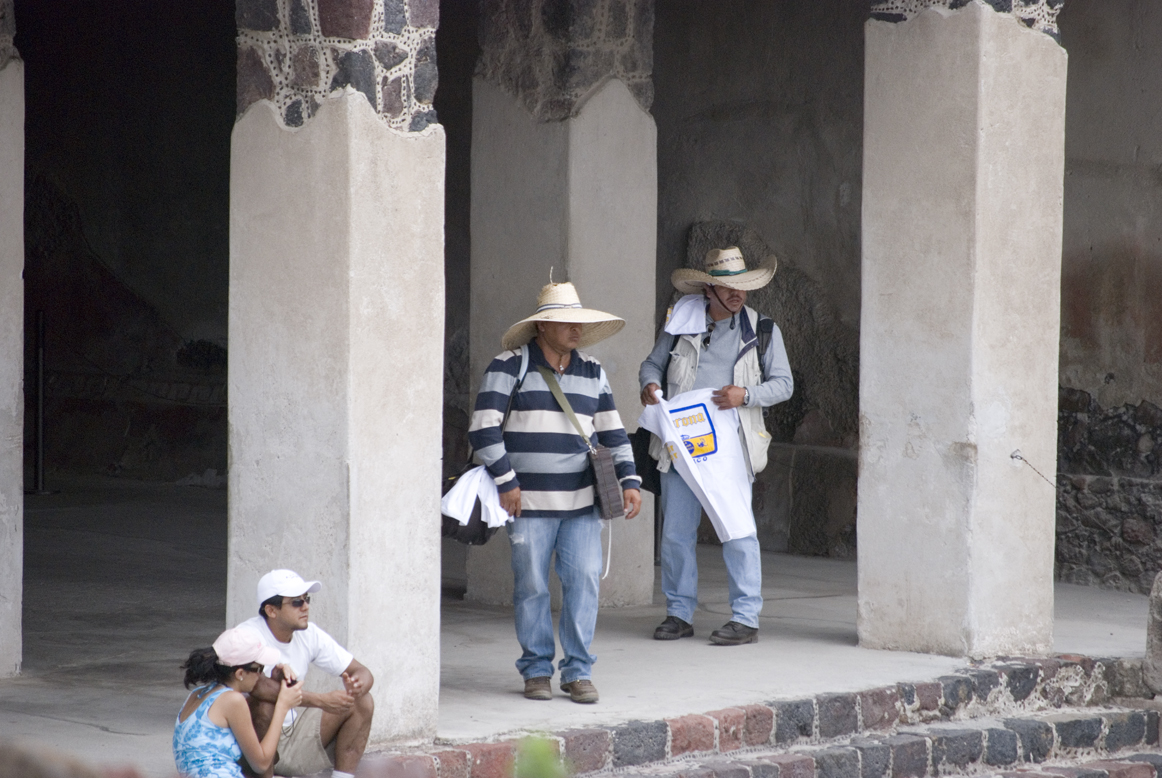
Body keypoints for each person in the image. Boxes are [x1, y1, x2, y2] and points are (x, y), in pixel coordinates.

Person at [469, 281, 642, 703]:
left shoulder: (593, 371)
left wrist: (631, 480)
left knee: (584, 581)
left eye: (578, 322)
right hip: (527, 503)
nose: (575, 329)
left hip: (583, 502)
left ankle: (578, 671)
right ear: (543, 326)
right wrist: (507, 481)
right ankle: (536, 670)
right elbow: (483, 428)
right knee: (531, 585)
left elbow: (613, 432)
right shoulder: (509, 366)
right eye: (566, 322)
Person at [639, 246, 793, 645]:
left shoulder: (762, 330)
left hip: (732, 444)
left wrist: (746, 395)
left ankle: (746, 618)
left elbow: (784, 385)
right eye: (727, 286)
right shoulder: (680, 324)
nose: (737, 293)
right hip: (680, 444)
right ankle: (678, 614)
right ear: (708, 289)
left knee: (737, 527)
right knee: (674, 533)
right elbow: (652, 364)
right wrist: (650, 385)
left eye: (742, 285)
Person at [237, 569, 374, 778]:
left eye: (306, 599)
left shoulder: (309, 634)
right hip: (250, 749)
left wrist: (358, 684)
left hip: (291, 737)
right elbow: (258, 687)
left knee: (361, 701)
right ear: (271, 610)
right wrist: (320, 700)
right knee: (264, 705)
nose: (306, 607)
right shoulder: (248, 635)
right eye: (296, 602)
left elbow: (361, 670)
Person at [174, 626, 302, 778]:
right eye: (260, 669)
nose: (261, 676)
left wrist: (274, 681)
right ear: (240, 673)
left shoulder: (198, 694)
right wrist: (282, 705)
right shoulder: (233, 701)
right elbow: (261, 764)